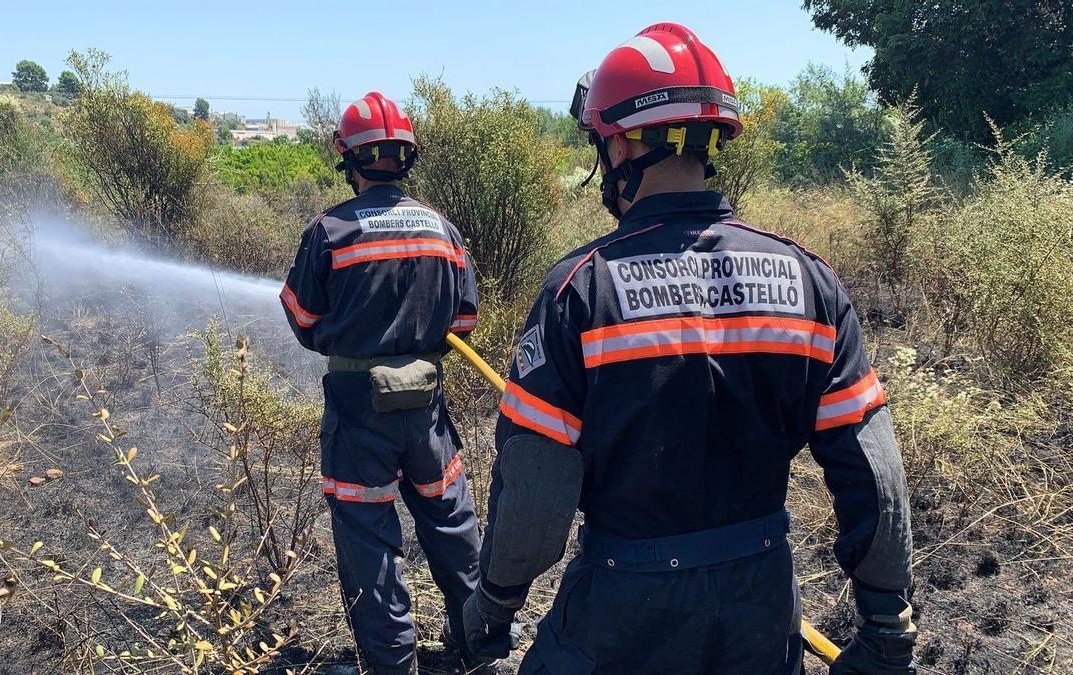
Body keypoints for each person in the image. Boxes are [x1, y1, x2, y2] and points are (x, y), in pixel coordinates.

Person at [460, 23, 917, 674]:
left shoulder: (580, 292)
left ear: (621, 145)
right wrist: (886, 632)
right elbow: (876, 477)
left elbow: (536, 500)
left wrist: (493, 607)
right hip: (762, 610)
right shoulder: (809, 281)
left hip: (621, 611)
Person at [280, 92, 483, 675]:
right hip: (427, 410)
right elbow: (463, 322)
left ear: (350, 159)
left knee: (369, 539)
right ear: (405, 158)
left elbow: (303, 321)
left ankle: (394, 664)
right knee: (450, 521)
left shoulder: (329, 231)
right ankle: (480, 643)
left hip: (356, 412)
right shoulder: (442, 230)